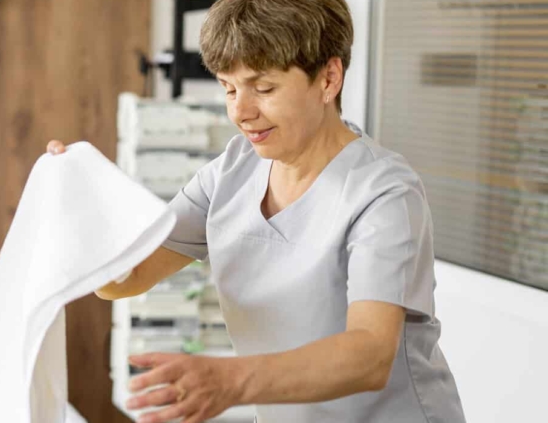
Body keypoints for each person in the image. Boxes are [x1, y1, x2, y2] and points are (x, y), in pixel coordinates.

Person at [49, 0, 464, 421]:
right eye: (229, 88)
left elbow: (370, 355)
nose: (240, 112)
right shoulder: (232, 171)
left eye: (263, 89)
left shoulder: (383, 193)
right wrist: (80, 206)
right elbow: (127, 276)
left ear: (329, 79)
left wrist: (232, 381)